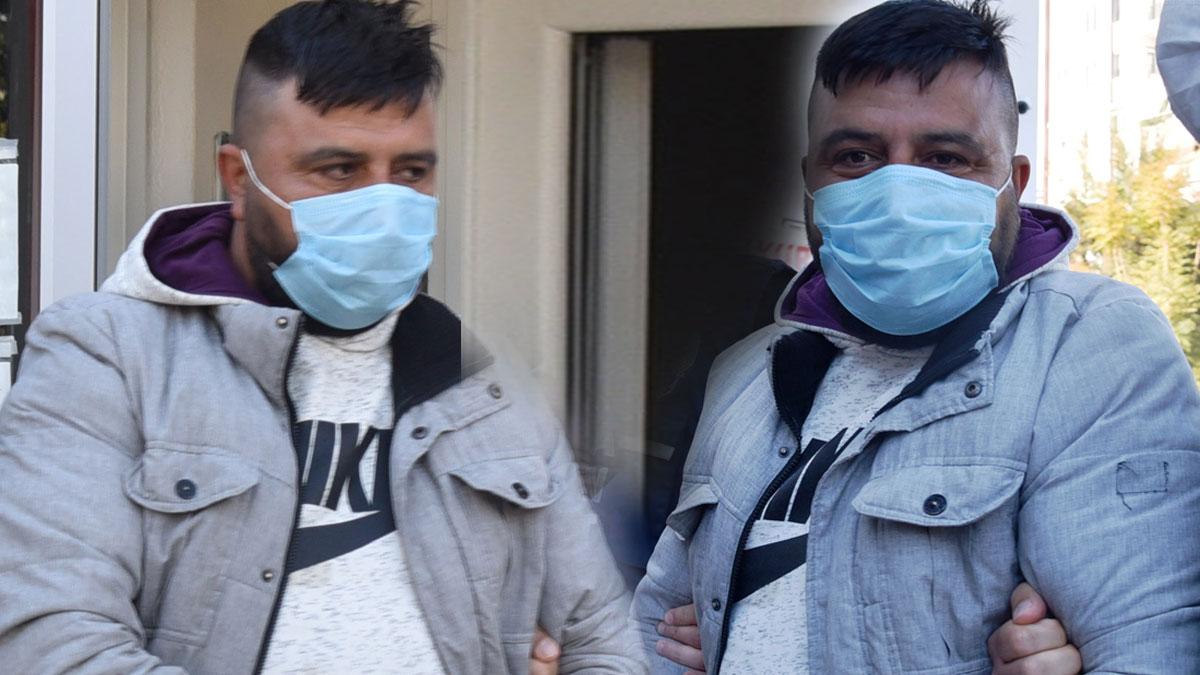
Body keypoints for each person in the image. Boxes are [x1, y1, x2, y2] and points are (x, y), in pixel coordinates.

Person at [0, 1, 642, 673]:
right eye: (340, 170)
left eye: (411, 172)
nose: (385, 210)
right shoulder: (106, 357)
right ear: (238, 179)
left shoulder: (480, 381)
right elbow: (52, 645)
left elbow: (603, 642)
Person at [632, 1, 1200, 673]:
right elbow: (653, 630)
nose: (899, 190)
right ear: (810, 181)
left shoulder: (1087, 346)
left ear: (1013, 182)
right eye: (856, 156)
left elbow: (1144, 645)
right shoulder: (747, 371)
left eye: (945, 157)